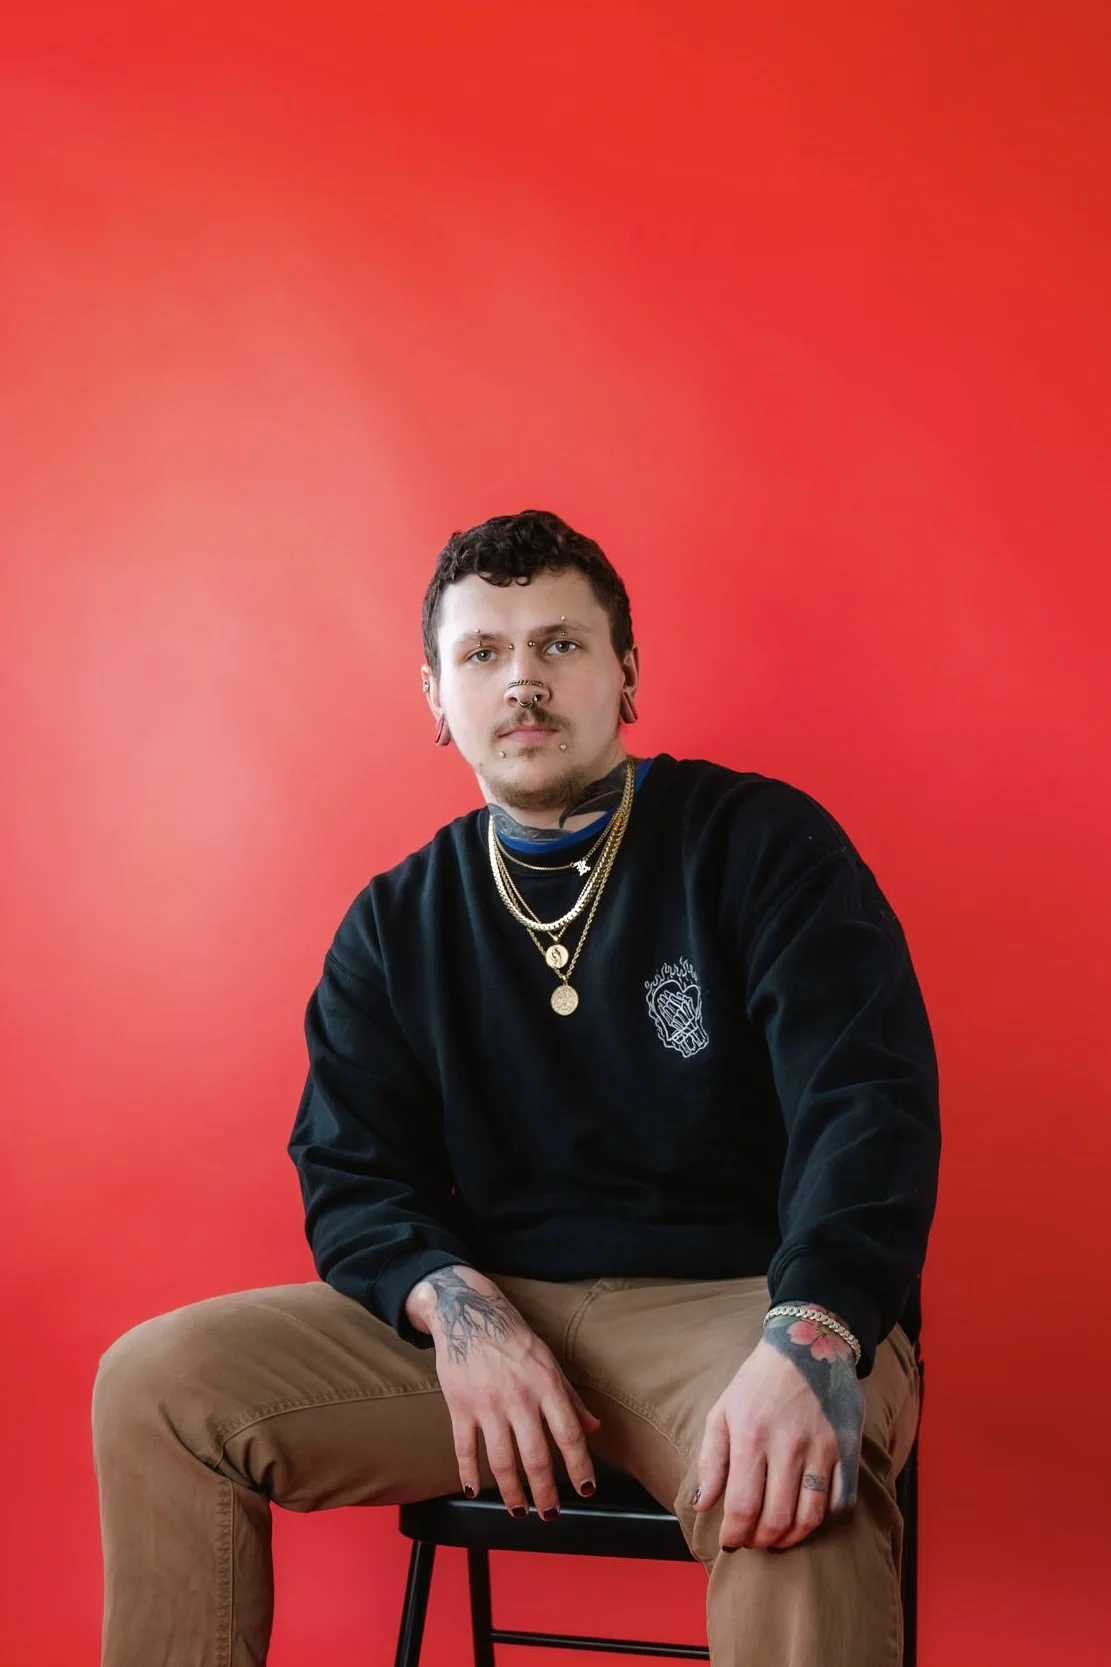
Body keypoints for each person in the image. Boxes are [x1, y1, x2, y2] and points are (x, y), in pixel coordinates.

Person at [92, 508, 941, 1667]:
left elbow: (869, 1104)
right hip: (495, 1318)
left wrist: (815, 1329)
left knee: (789, 1490)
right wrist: (453, 1309)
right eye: (482, 653)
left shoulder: (761, 844)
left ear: (626, 672)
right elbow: (352, 1171)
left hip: (742, 1305)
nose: (521, 681)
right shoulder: (396, 923)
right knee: (157, 1385)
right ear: (435, 696)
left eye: (560, 644)